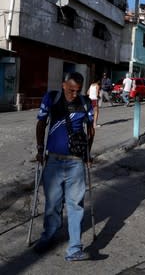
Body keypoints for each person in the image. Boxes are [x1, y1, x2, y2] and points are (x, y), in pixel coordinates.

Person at [34, 72, 95, 261]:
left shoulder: (85, 103)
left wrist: (87, 153)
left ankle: (74, 249)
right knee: (53, 204)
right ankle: (48, 236)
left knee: (75, 205)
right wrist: (39, 149)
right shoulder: (51, 98)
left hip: (76, 161)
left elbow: (90, 129)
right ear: (63, 85)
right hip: (53, 160)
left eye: (77, 91)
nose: (74, 94)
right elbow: (41, 124)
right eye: (70, 90)